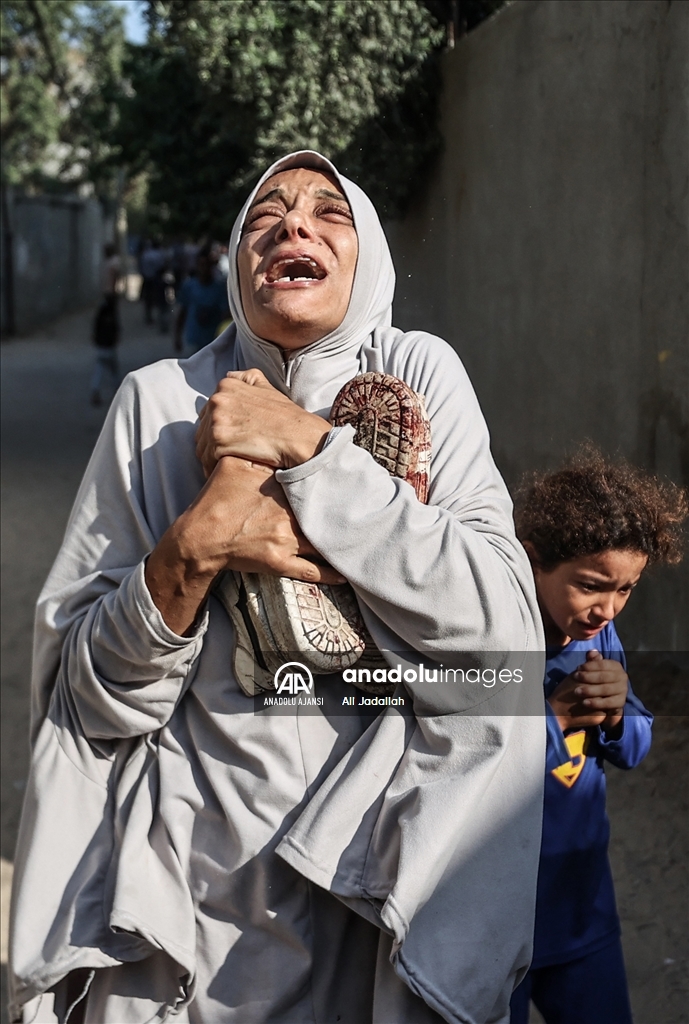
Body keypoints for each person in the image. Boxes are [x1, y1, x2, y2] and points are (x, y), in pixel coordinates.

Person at [10, 152, 545, 1024]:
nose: (293, 225)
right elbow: (84, 693)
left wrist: (309, 450)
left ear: (366, 252)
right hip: (183, 914)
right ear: (234, 259)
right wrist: (194, 545)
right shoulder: (155, 407)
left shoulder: (423, 380)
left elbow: (504, 650)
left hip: (371, 899)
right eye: (266, 214)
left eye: (328, 212)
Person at [510, 449, 687, 1024]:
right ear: (535, 563)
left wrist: (617, 716)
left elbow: (635, 746)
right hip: (497, 919)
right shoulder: (496, 640)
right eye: (591, 586)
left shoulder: (597, 635)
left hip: (583, 911)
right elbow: (463, 759)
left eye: (626, 590)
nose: (607, 609)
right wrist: (556, 719)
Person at [174, 245, 231, 355]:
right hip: (193, 339)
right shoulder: (189, 286)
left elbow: (226, 315)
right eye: (201, 265)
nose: (204, 269)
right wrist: (177, 336)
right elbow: (182, 311)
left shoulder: (219, 289)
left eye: (207, 266)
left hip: (212, 341)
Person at [90, 243, 122, 407]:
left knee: (105, 364)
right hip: (107, 340)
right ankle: (117, 390)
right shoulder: (114, 262)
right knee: (109, 363)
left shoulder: (104, 264)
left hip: (104, 340)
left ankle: (112, 389)